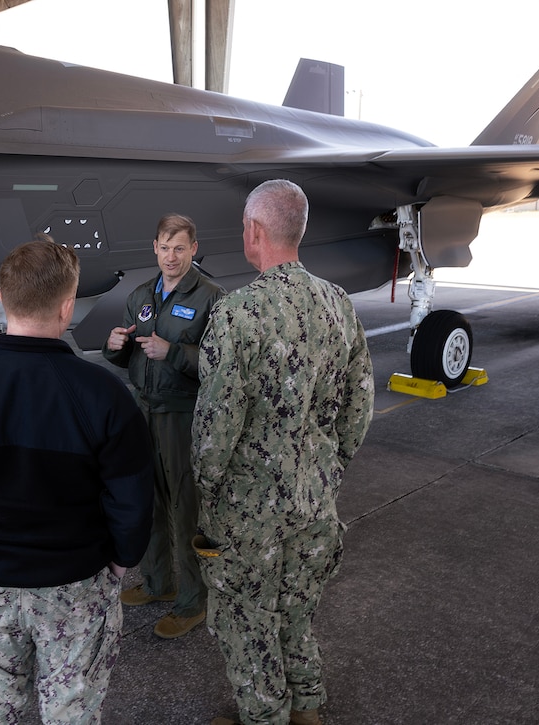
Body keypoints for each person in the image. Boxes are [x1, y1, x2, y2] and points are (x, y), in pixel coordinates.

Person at [0, 240, 155, 724]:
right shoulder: (102, 393)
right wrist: (122, 561)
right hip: (75, 584)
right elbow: (132, 499)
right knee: (71, 712)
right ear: (67, 305)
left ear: (1, 297)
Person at [192, 180, 374, 725]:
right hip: (316, 503)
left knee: (247, 622)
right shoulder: (338, 303)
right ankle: (308, 711)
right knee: (296, 613)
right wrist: (328, 468)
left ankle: (264, 716)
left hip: (249, 514)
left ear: (253, 232)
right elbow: (360, 404)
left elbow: (213, 431)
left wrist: (207, 489)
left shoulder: (236, 313)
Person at [102, 213, 224, 639]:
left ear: (193, 249)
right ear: (154, 247)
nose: (171, 257)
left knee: (186, 510)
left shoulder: (211, 296)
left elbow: (220, 365)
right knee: (148, 503)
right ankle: (157, 583)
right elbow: (131, 354)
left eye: (180, 248)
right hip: (143, 412)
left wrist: (173, 352)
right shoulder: (140, 296)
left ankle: (192, 602)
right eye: (164, 247)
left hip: (182, 415)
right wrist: (113, 347)